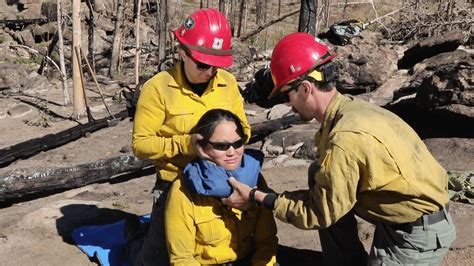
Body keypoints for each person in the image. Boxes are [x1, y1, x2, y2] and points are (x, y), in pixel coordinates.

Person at [223, 32, 456, 266]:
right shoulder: (351, 111)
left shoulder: (345, 138)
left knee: (323, 195)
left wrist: (259, 197)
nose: (287, 103)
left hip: (415, 235)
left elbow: (318, 213)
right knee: (318, 174)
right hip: (401, 217)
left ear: (306, 88)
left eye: (287, 94)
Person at [129, 8, 251, 266]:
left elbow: (245, 130)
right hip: (174, 184)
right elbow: (140, 144)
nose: (210, 72)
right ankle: (137, 242)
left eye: (217, 65)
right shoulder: (158, 88)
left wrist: (227, 144)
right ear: (182, 52)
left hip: (223, 181)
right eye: (203, 64)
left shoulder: (228, 83)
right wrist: (186, 144)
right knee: (157, 259)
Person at [165, 109, 278, 265]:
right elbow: (182, 259)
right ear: (203, 148)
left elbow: (266, 242)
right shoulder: (182, 191)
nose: (232, 152)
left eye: (238, 143)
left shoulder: (255, 181)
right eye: (221, 146)